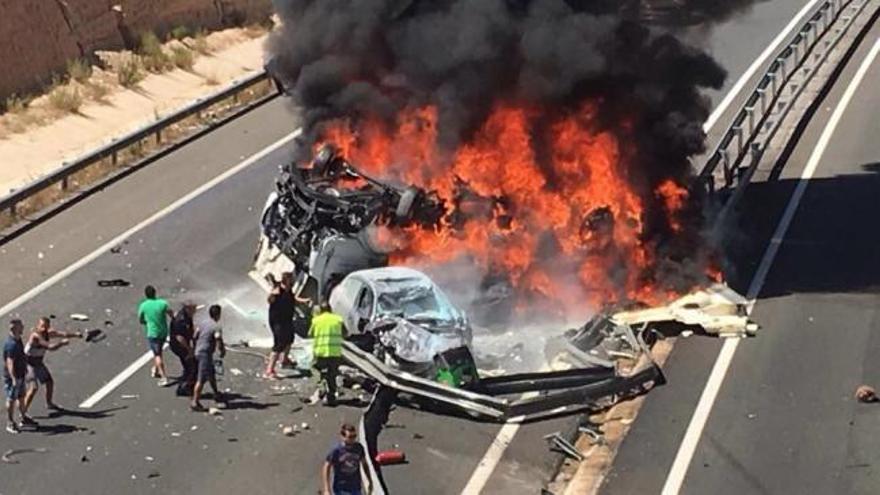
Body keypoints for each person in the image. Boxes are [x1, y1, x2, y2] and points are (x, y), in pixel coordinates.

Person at [21, 317, 82, 414]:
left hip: (38, 363)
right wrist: (61, 343)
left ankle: (49, 403)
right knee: (33, 388)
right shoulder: (35, 336)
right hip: (28, 364)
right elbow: (50, 347)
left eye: (46, 326)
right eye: (42, 326)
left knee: (49, 382)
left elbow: (62, 334)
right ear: (38, 326)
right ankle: (23, 411)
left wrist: (76, 335)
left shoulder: (48, 333)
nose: (44, 329)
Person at [310, 301, 345, 407]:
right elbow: (345, 333)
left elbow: (310, 334)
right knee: (332, 374)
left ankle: (321, 387)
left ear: (320, 310)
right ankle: (331, 396)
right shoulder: (338, 319)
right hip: (335, 352)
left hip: (320, 351)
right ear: (331, 310)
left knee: (314, 368)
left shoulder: (316, 320)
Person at [191, 304, 226, 412]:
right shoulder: (216, 326)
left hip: (198, 351)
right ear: (218, 314)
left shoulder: (203, 323)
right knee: (201, 379)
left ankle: (216, 393)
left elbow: (195, 336)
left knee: (211, 373)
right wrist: (222, 350)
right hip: (204, 353)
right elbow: (218, 339)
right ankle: (195, 402)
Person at [137, 285, 173, 387]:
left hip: (152, 333)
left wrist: (146, 322)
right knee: (158, 351)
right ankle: (156, 369)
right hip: (163, 332)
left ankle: (163, 377)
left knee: (157, 355)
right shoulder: (162, 303)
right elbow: (171, 313)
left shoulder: (143, 306)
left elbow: (141, 319)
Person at [322, 423, 372, 495]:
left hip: (356, 487)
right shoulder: (336, 451)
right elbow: (326, 467)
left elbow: (364, 464)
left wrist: (370, 480)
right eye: (350, 437)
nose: (353, 439)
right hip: (341, 488)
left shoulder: (359, 448)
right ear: (342, 436)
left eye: (354, 436)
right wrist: (326, 489)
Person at [265, 272, 297, 379]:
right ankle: (270, 370)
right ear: (286, 281)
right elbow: (270, 300)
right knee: (279, 345)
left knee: (290, 339)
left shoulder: (289, 290)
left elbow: (293, 298)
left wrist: (304, 301)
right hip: (278, 322)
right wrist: (272, 294)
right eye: (291, 280)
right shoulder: (278, 291)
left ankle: (284, 360)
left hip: (287, 320)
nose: (293, 282)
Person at [4, 320, 28, 434]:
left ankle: (24, 417)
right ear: (15, 328)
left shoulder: (18, 339)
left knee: (21, 396)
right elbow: (10, 362)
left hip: (20, 374)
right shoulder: (11, 344)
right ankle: (10, 422)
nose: (23, 327)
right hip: (14, 376)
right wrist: (13, 378)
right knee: (12, 398)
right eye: (21, 326)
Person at [169, 302, 197, 396]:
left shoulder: (187, 316)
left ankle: (187, 386)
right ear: (187, 308)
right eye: (194, 308)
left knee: (190, 366)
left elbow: (191, 330)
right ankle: (183, 388)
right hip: (179, 347)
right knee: (191, 366)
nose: (195, 310)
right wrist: (189, 350)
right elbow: (180, 338)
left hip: (183, 345)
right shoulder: (180, 320)